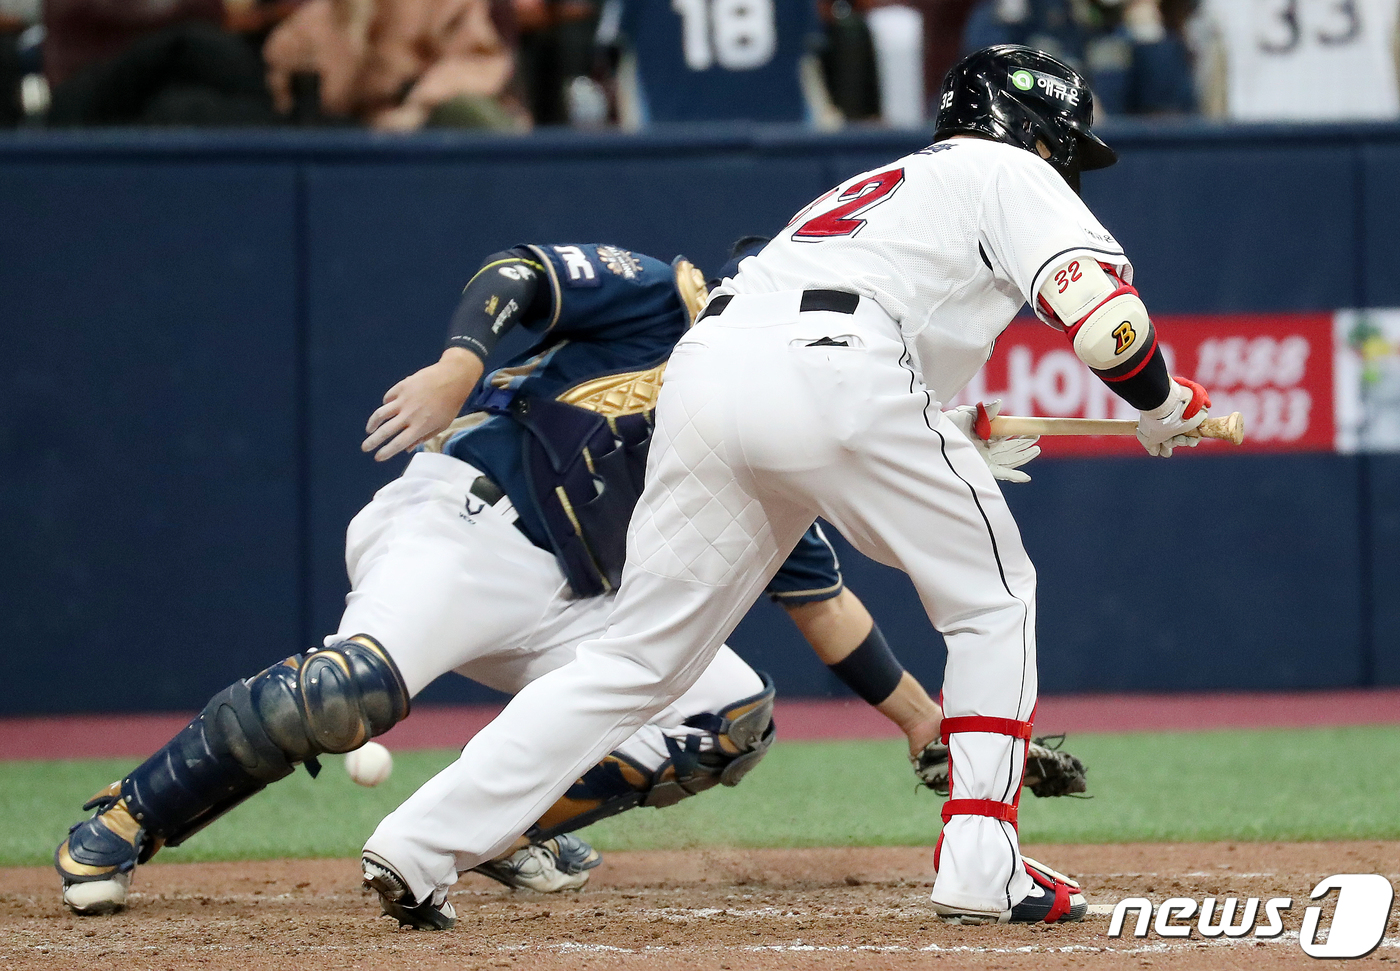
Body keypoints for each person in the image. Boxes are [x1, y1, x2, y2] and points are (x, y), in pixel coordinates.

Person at [357, 44, 1212, 929]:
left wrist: (947, 429)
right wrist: (1165, 400)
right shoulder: (1008, 171)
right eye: (1063, 143)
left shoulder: (883, 187)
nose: (1068, 164)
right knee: (994, 600)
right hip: (838, 371)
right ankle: (982, 863)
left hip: (712, 378)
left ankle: (420, 842)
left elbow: (833, 357)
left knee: (635, 657)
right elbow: (1111, 332)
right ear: (1027, 129)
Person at [54, 235, 1085, 922]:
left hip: (587, 606)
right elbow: (519, 272)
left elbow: (820, 602)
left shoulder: (780, 424)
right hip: (472, 525)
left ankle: (502, 831)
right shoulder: (669, 301)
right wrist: (463, 357)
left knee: (727, 712)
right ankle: (129, 814)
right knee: (347, 695)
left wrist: (918, 720)